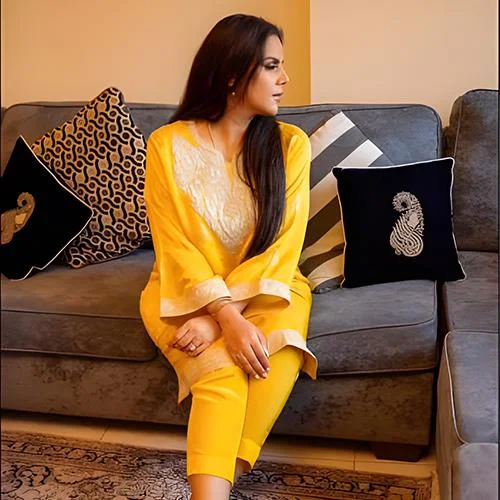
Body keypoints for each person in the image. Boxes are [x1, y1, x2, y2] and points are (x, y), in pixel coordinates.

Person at [140, 13, 318, 500]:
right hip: (183, 290)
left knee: (274, 354)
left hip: (271, 287)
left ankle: (213, 488)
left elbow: (283, 246)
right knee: (221, 372)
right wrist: (219, 313)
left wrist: (223, 317)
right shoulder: (166, 145)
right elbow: (174, 245)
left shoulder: (290, 145)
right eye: (272, 66)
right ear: (233, 74)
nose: (285, 79)